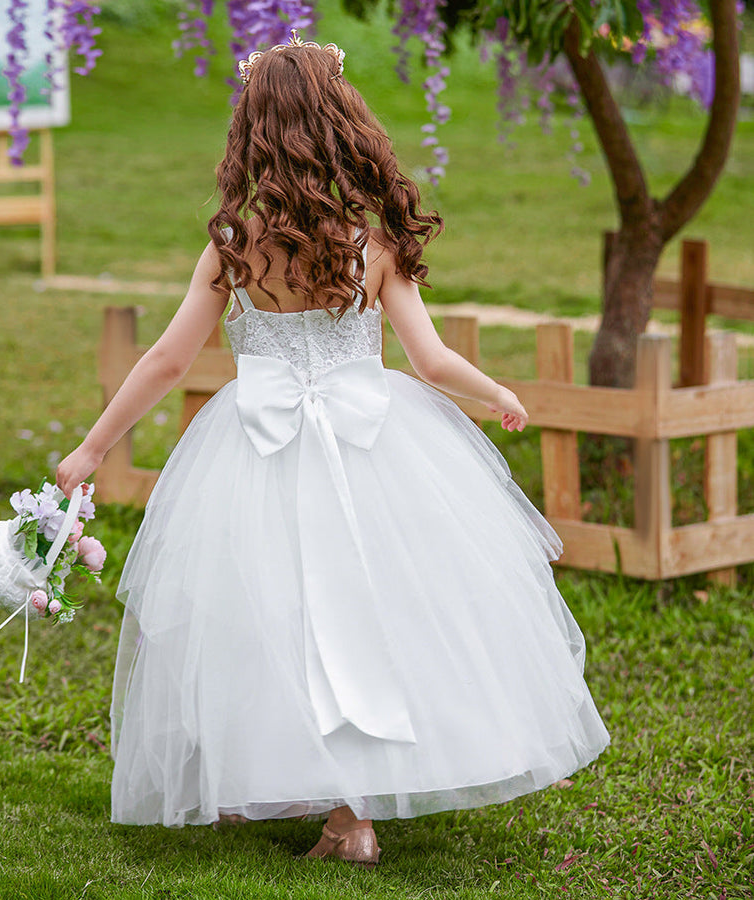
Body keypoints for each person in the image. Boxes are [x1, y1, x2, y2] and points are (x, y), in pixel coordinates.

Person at [56, 31, 610, 869]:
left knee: (267, 611)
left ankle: (274, 774)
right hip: (377, 441)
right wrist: (494, 391)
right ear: (341, 123)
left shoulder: (236, 242)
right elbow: (427, 360)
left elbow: (169, 360)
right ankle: (352, 814)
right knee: (374, 608)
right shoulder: (376, 240)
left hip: (256, 451)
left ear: (254, 132)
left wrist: (92, 451)